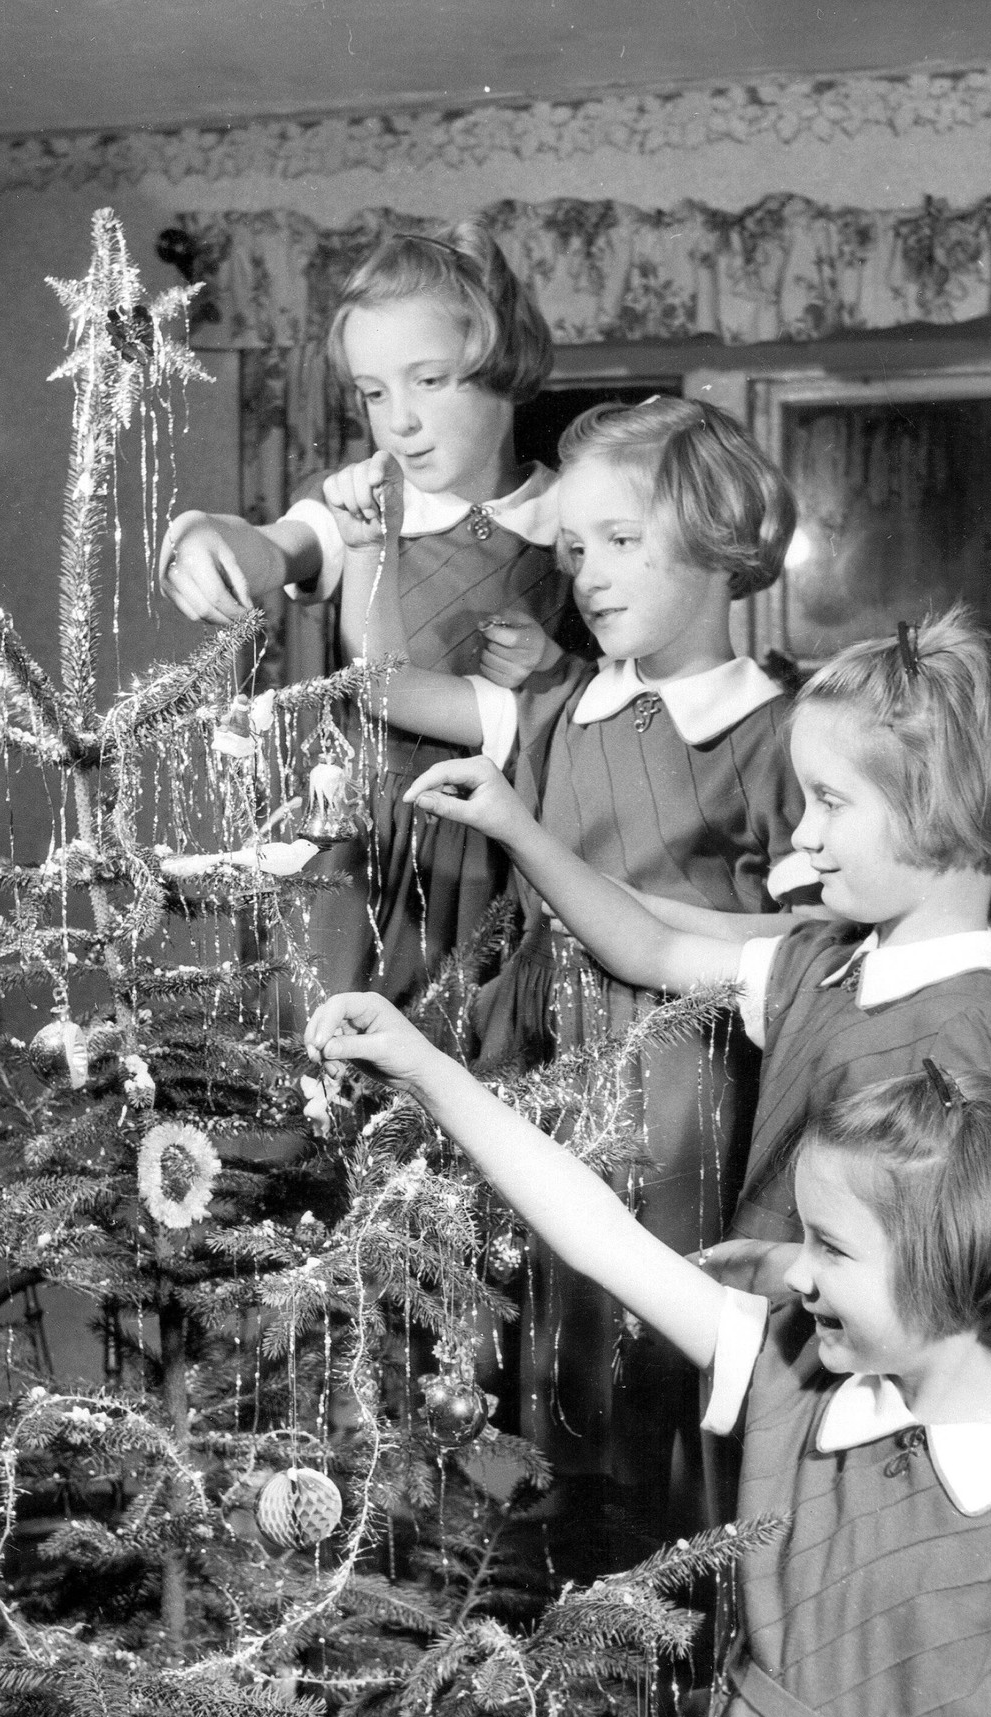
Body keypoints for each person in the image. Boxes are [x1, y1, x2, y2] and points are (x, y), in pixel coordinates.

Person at [303, 992, 991, 1717]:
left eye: (830, 1247)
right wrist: (429, 1071)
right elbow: (598, 1235)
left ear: (953, 1267)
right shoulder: (798, 1376)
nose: (794, 1270)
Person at [335, 398, 806, 1518]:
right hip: (542, 1065)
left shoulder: (776, 731)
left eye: (623, 541)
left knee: (670, 1357)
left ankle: (682, 1624)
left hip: (693, 1100)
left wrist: (644, 923)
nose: (587, 573)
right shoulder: (557, 703)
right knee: (548, 1352)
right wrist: (360, 546)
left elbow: (817, 943)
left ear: (719, 537)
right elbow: (382, 686)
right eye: (575, 545)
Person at [403, 608, 991, 1306]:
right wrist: (513, 824)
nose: (806, 836)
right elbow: (648, 944)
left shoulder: (978, 1033)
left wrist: (790, 1268)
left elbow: (968, 1281)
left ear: (941, 807)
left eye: (831, 803)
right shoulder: (820, 967)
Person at [158, 217, 583, 1004]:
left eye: (429, 380)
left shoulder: (572, 513)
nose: (400, 420)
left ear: (503, 363)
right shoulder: (363, 500)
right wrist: (198, 536)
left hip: (507, 854)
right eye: (374, 392)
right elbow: (273, 548)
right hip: (356, 858)